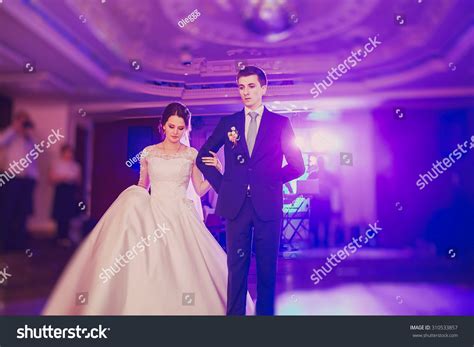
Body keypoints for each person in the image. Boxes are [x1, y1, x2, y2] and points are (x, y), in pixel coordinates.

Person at [43, 102, 254, 315]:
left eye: (181, 128)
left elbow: (198, 190)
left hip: (181, 215)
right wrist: (132, 199)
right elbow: (143, 185)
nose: (175, 132)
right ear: (162, 125)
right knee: (149, 264)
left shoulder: (191, 154)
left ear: (186, 128)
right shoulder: (148, 153)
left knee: (184, 266)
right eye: (171, 126)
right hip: (153, 213)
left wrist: (218, 171)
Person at [197, 66, 305, 315]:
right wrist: (222, 185)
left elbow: (298, 166)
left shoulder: (280, 123)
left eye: (251, 86)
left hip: (268, 204)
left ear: (263, 88)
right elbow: (203, 156)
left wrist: (269, 179)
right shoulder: (228, 123)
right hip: (236, 206)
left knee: (267, 268)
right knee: (236, 267)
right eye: (241, 87)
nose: (246, 92)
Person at [0, 111, 38, 252]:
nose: (24, 123)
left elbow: (33, 159)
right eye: (22, 121)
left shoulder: (30, 138)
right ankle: (4, 244)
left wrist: (34, 177)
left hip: (27, 180)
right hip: (12, 177)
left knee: (22, 212)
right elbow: (1, 142)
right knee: (7, 211)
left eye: (26, 121)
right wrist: (14, 128)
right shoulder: (10, 135)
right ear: (16, 121)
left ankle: (18, 243)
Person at [49, 144, 82, 247]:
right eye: (67, 152)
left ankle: (67, 236)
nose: (69, 154)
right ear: (62, 153)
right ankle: (59, 236)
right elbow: (51, 179)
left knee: (69, 214)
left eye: (70, 152)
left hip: (70, 191)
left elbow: (79, 180)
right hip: (61, 190)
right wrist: (63, 177)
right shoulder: (57, 164)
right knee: (60, 213)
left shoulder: (75, 165)